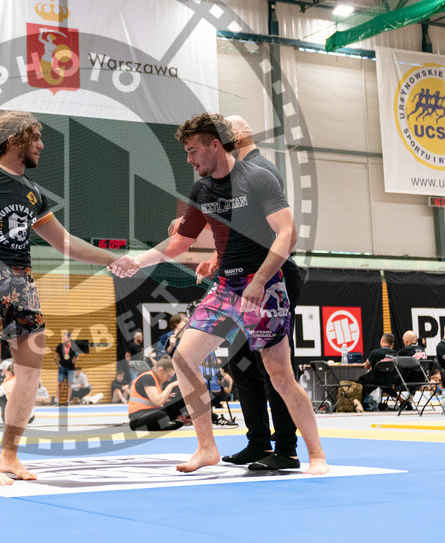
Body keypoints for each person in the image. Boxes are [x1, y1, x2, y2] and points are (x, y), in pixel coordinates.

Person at [114, 113, 328, 474]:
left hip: (264, 287)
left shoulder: (258, 178)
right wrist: (139, 261)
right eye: (186, 152)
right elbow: (181, 240)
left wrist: (260, 280)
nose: (189, 159)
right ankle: (206, 448)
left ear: (216, 145)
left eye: (193, 150)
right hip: (227, 287)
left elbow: (286, 233)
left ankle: (317, 455)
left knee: (280, 378)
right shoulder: (202, 190)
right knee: (183, 358)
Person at [0, 110, 136, 485]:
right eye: (36, 138)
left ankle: (10, 455)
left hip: (23, 282)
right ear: (15, 141)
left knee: (29, 374)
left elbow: (65, 243)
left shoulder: (33, 191)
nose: (42, 146)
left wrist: (113, 260)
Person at [193, 114, 303, 470]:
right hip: (240, 278)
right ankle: (258, 441)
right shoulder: (231, 175)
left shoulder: (258, 171)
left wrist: (259, 279)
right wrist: (216, 257)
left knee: (272, 364)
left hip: (271, 275)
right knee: (241, 362)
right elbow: (238, 230)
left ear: (236, 136)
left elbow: (275, 232)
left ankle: (285, 447)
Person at [127, 357, 185, 431]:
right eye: (168, 376)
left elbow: (155, 401)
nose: (169, 379)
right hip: (138, 417)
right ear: (161, 370)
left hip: (153, 412)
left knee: (181, 400)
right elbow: (157, 402)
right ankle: (166, 424)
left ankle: (165, 423)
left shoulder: (157, 380)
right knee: (161, 415)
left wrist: (169, 397)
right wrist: (171, 385)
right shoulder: (147, 377)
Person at [357, 333, 398, 402]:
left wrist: (373, 366)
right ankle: (402, 400)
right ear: (392, 344)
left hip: (375, 379)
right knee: (385, 383)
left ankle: (360, 402)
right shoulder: (396, 355)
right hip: (389, 380)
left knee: (361, 381)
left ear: (382, 341)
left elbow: (366, 366)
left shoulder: (375, 353)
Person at [54, 332, 81, 405]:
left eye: (65, 337)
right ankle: (57, 400)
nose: (64, 339)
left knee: (69, 384)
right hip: (62, 368)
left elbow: (77, 356)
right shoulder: (59, 346)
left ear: (69, 338)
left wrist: (75, 360)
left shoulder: (74, 346)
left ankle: (68, 401)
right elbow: (55, 357)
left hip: (71, 368)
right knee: (59, 383)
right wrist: (59, 365)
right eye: (63, 337)